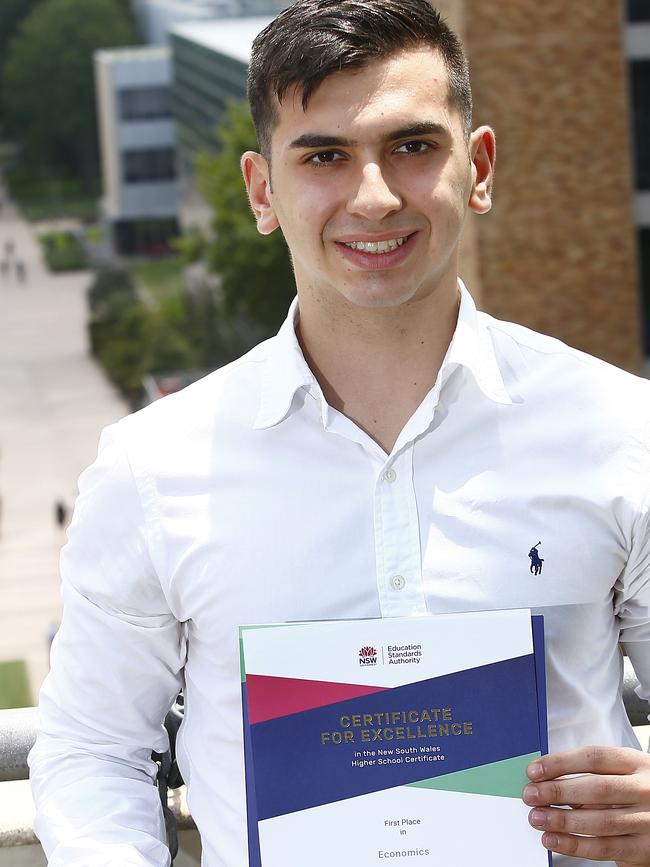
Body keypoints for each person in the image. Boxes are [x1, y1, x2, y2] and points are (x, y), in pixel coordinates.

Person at [29, 1, 650, 865]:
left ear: (478, 167)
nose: (374, 195)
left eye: (413, 146)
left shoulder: (622, 432)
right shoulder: (151, 468)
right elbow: (90, 750)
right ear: (261, 190)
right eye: (324, 154)